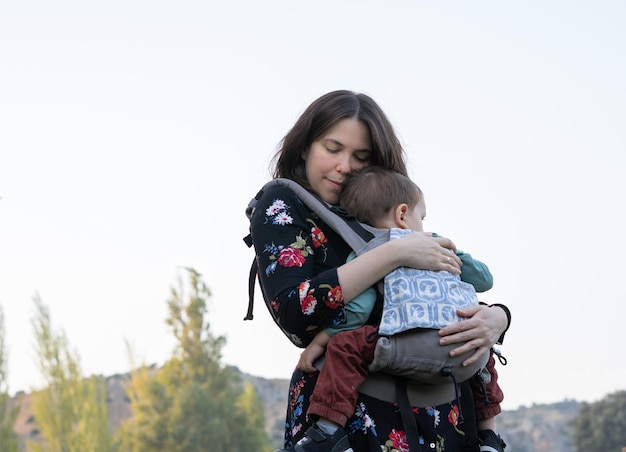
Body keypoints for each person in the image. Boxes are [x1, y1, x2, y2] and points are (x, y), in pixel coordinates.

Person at [248, 90, 511, 451]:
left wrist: (497, 317)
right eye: (332, 148)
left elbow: (438, 291)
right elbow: (294, 311)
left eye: (361, 156)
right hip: (348, 418)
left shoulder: (381, 209)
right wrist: (394, 253)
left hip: (439, 410)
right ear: (305, 146)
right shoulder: (282, 205)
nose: (344, 166)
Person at [294, 166, 506, 452]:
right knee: (484, 344)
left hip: (406, 345)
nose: (425, 223)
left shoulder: (368, 255)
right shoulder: (439, 247)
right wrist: (456, 253)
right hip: (461, 348)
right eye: (422, 216)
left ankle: (329, 431)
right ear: (403, 215)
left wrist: (322, 340)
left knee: (345, 347)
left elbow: (358, 311)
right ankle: (489, 437)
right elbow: (484, 279)